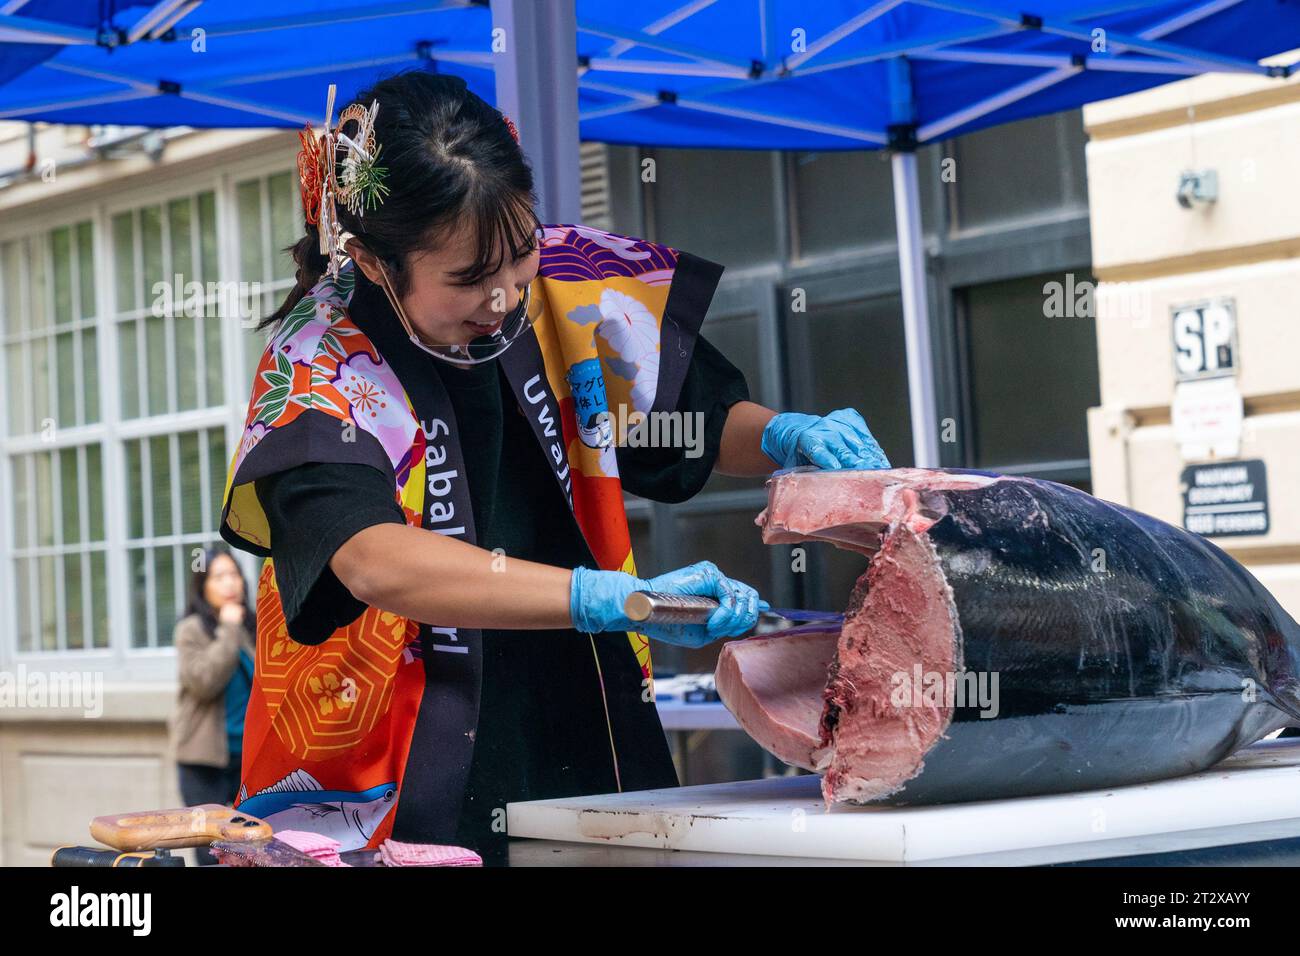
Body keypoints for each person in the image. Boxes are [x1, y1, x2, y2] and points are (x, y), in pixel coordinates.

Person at [218, 70, 890, 865]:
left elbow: (692, 422)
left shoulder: (566, 283)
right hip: (397, 754)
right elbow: (369, 557)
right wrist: (604, 595)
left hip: (590, 706)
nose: (504, 296)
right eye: (468, 280)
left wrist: (786, 435)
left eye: (520, 254)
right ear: (370, 261)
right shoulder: (315, 365)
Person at [167, 546, 256, 864]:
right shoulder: (191, 630)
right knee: (212, 853)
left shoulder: (252, 627)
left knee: (251, 849)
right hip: (203, 761)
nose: (230, 583)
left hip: (247, 760)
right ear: (202, 586)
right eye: (219, 577)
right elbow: (204, 682)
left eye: (234, 574)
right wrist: (229, 628)